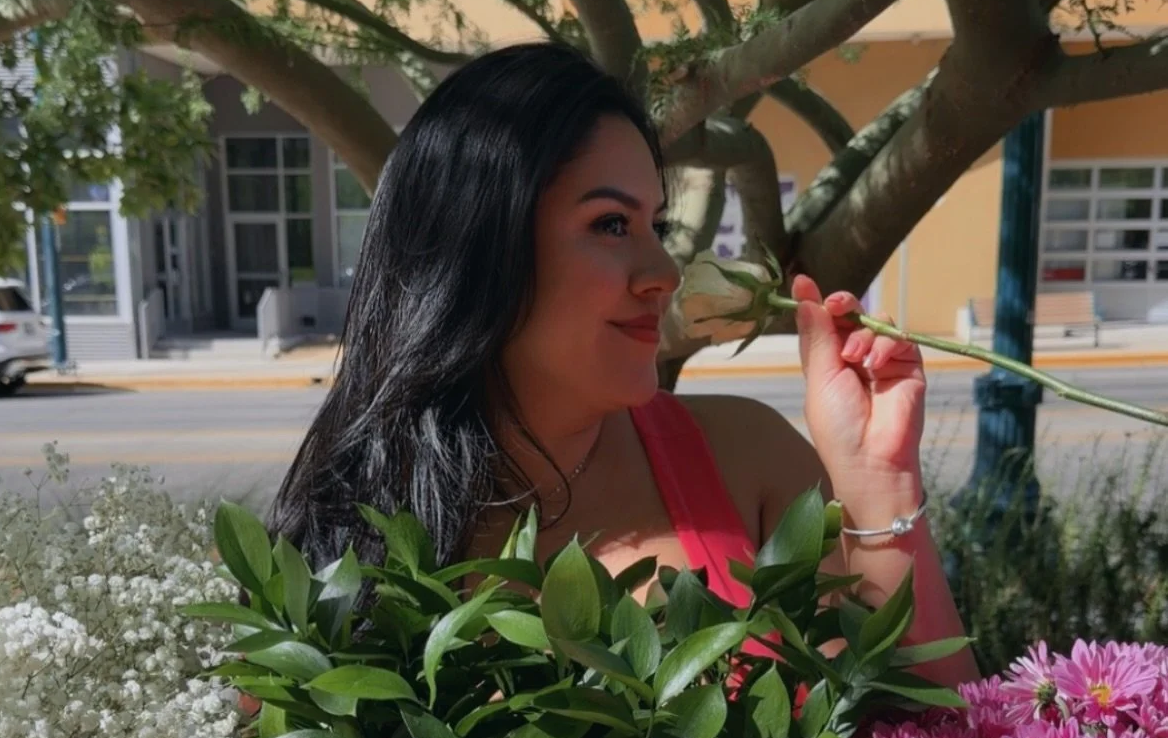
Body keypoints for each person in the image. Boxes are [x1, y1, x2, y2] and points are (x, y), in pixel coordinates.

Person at [271, 42, 977, 686]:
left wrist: (879, 485)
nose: (664, 272)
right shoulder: (346, 525)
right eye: (611, 224)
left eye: (656, 226)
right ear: (478, 250)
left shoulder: (750, 461)